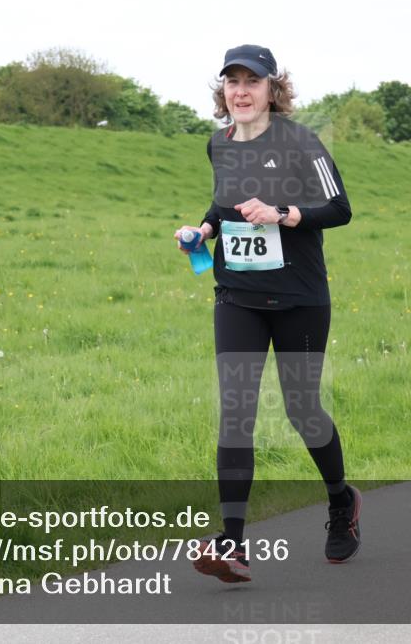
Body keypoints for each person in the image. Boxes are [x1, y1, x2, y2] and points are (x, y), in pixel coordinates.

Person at [174, 44, 360, 584]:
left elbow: (341, 209)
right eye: (232, 82)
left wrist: (283, 214)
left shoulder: (302, 142)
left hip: (299, 298)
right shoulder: (219, 143)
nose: (241, 91)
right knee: (236, 411)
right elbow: (223, 203)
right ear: (222, 91)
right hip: (236, 295)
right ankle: (231, 542)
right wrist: (202, 231)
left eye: (251, 82)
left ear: (272, 89)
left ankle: (341, 504)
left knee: (303, 410)